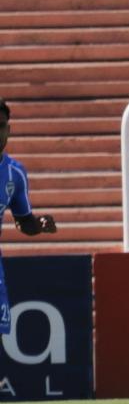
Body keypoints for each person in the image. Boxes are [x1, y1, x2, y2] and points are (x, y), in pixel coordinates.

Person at [0, 99, 59, 335]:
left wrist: (39, 225)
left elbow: (23, 221)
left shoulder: (14, 174)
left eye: (1, 125)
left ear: (9, 130)